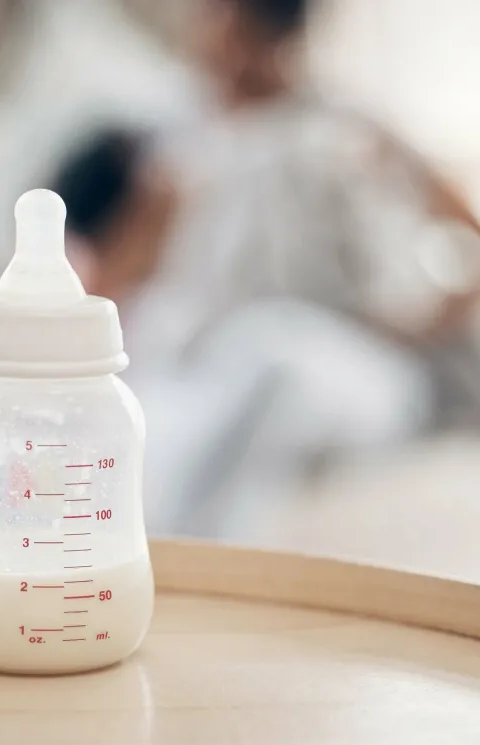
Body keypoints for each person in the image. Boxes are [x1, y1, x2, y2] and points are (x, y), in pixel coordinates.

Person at [52, 0, 480, 535]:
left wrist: (420, 326)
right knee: (168, 403)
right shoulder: (176, 142)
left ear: (269, 32)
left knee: (276, 367)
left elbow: (467, 230)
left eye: (226, 20)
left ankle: (187, 553)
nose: (208, 35)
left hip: (354, 362)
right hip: (218, 357)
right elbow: (123, 270)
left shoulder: (350, 126)